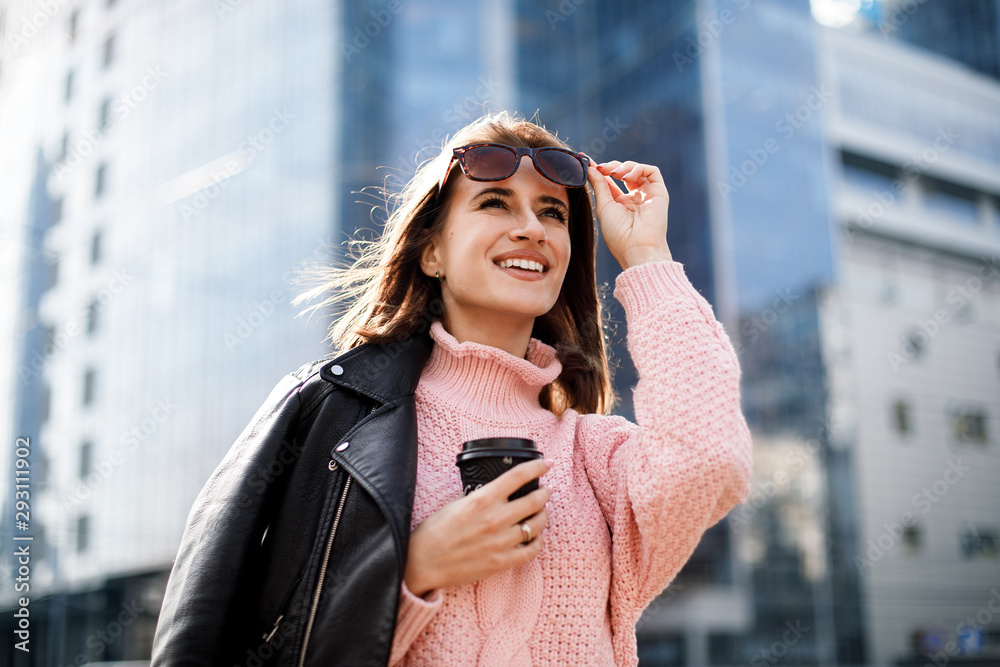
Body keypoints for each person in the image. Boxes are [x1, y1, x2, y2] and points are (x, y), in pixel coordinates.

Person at [149, 110, 752, 667]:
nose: (530, 228)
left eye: (553, 212)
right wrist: (414, 569)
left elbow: (708, 457)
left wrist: (647, 254)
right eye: (495, 203)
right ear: (432, 251)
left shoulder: (595, 457)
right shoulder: (335, 419)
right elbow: (238, 640)